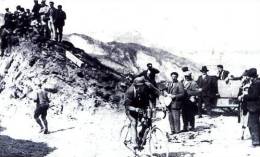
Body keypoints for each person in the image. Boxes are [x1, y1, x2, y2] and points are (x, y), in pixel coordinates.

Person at [124, 76, 156, 149]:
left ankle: (141, 136)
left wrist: (163, 104)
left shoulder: (147, 86)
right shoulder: (130, 91)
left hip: (141, 107)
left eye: (143, 86)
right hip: (131, 109)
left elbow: (158, 92)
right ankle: (134, 142)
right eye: (139, 86)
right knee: (134, 122)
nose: (142, 88)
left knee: (147, 122)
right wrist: (135, 109)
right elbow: (127, 106)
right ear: (136, 86)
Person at [238, 68, 260, 146]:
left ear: (252, 76)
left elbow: (254, 96)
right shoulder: (256, 82)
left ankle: (256, 141)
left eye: (249, 76)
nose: (249, 78)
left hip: (255, 106)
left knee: (252, 124)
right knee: (254, 123)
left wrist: (244, 96)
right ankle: (256, 139)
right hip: (255, 106)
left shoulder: (256, 83)